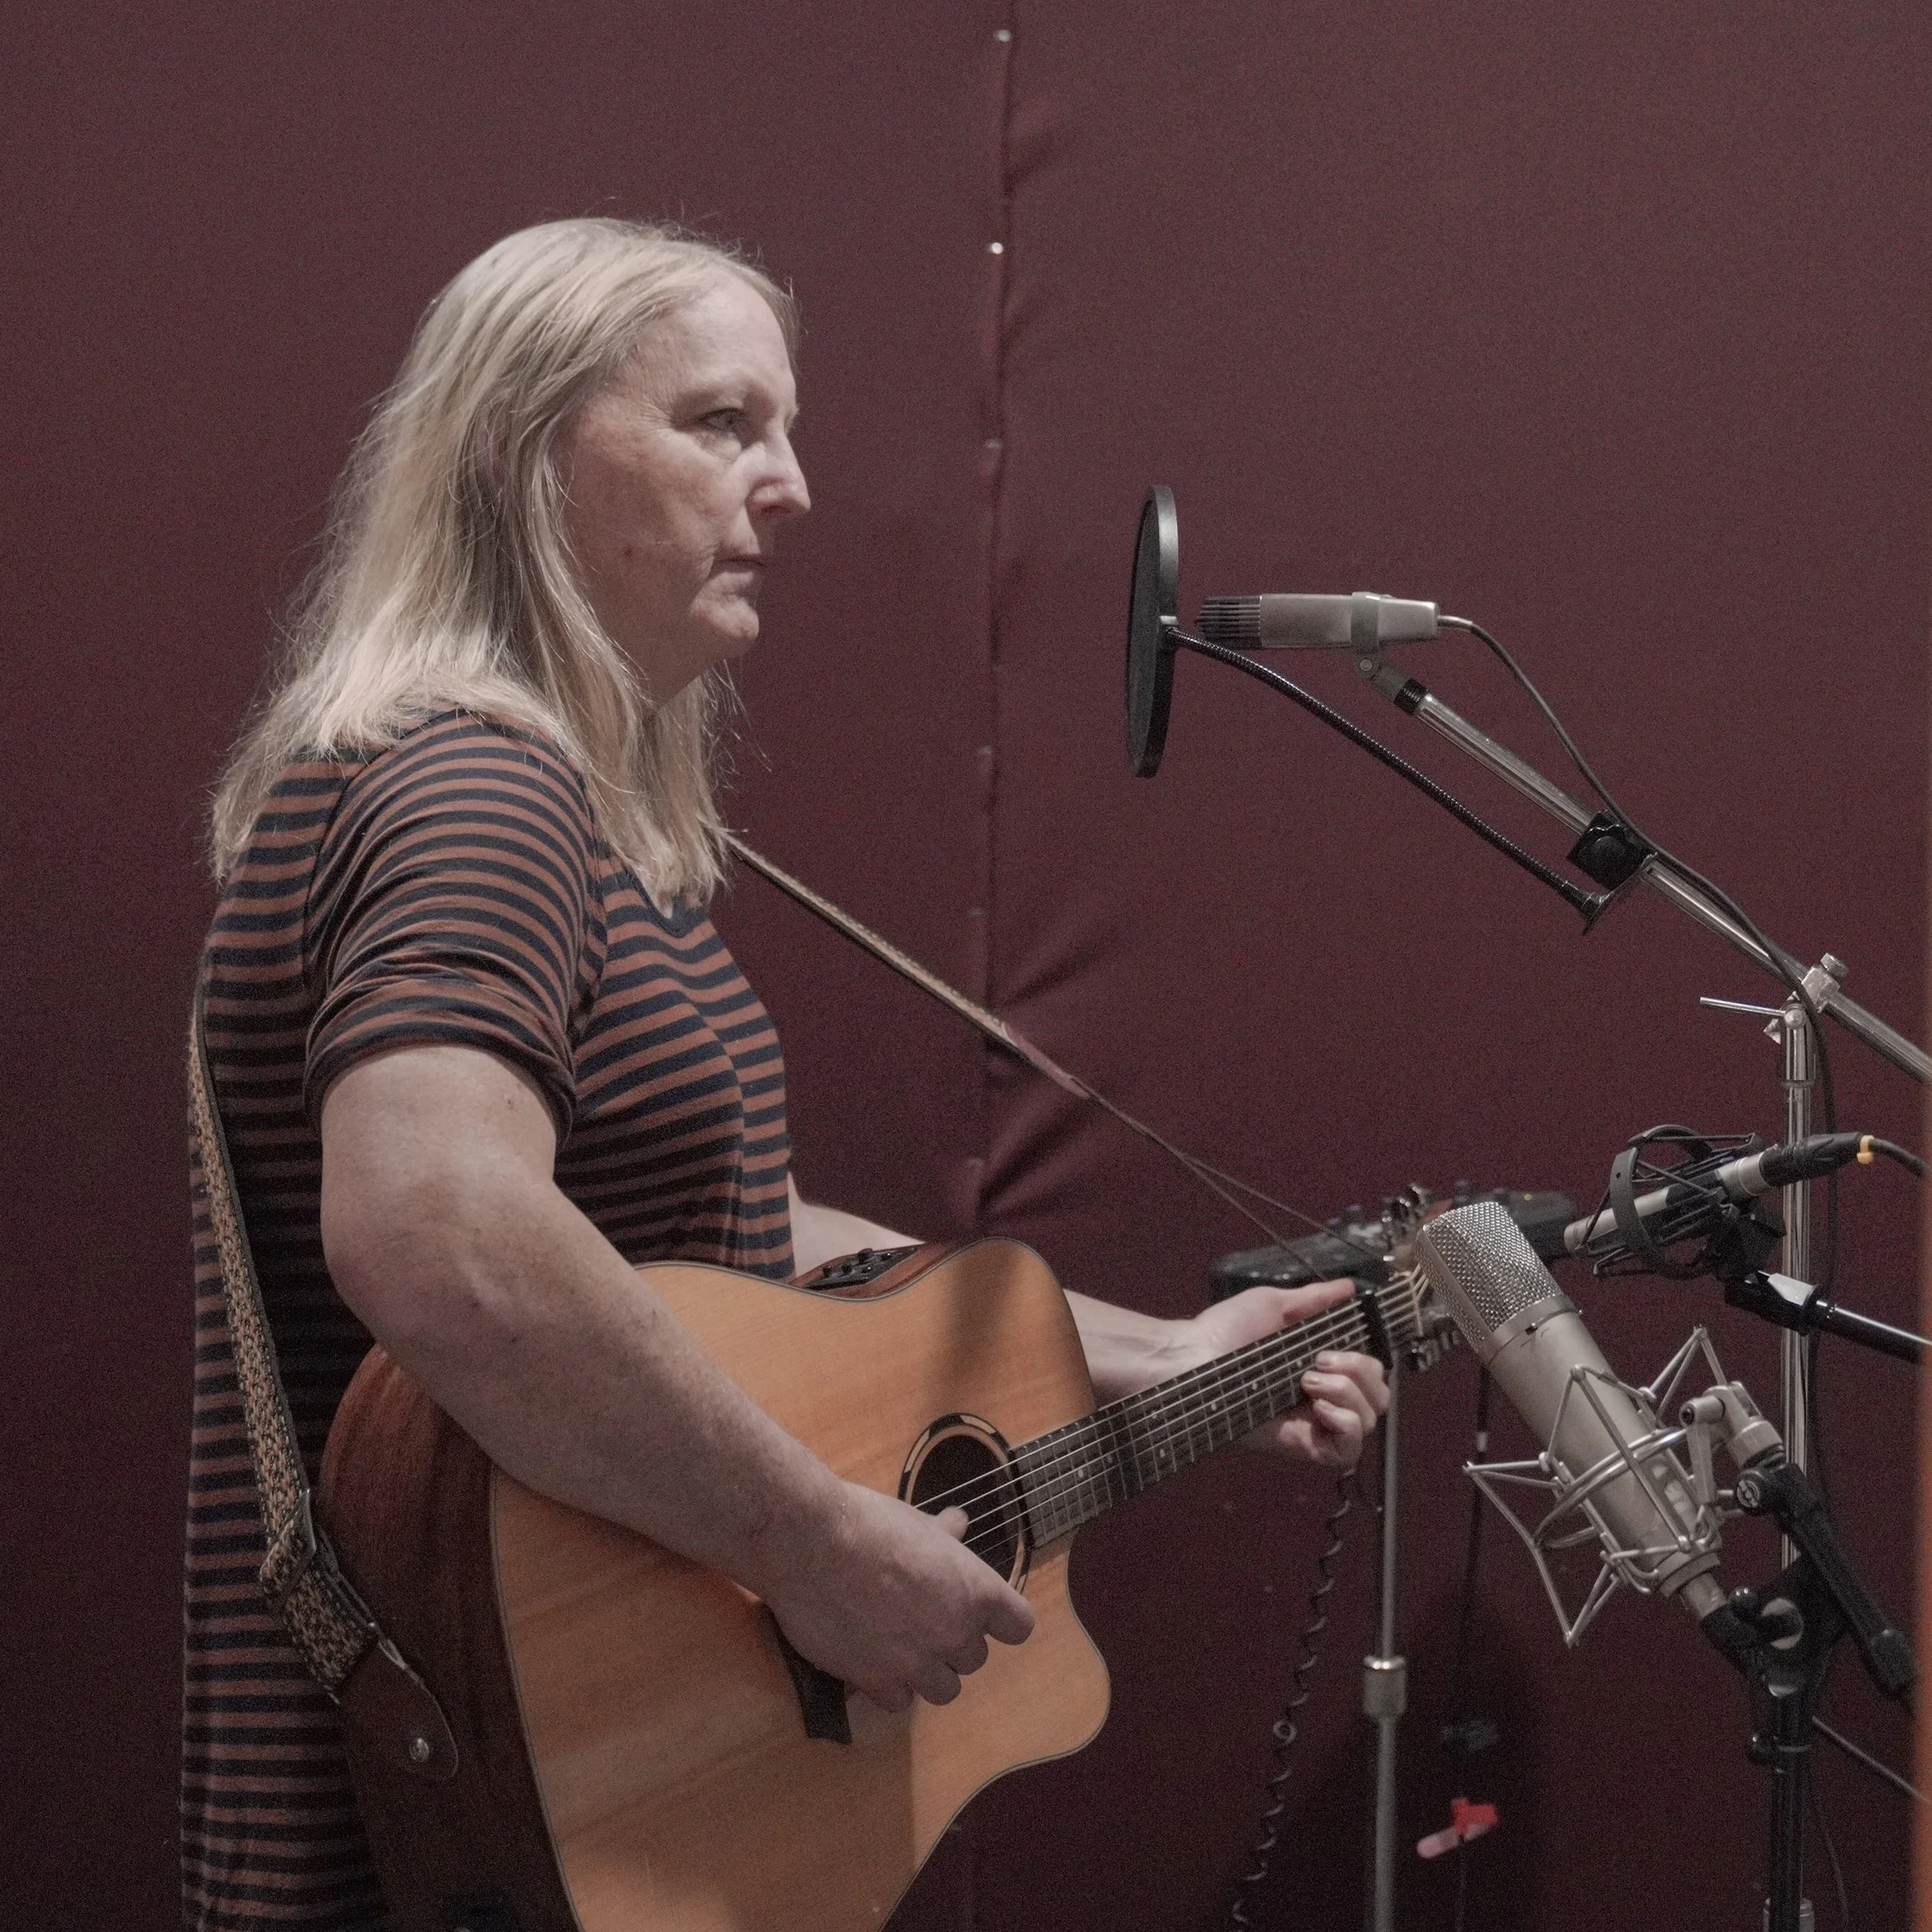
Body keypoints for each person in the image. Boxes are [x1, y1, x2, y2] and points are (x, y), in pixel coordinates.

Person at [186, 216, 1388, 1930]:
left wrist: (1162, 1357)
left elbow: (716, 1241)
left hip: (565, 1819)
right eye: (720, 422)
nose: (795, 486)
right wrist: (811, 1545)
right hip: (472, 1846)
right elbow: (440, 1229)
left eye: (785, 427)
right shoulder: (475, 794)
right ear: (525, 451)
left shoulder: (527, 806)